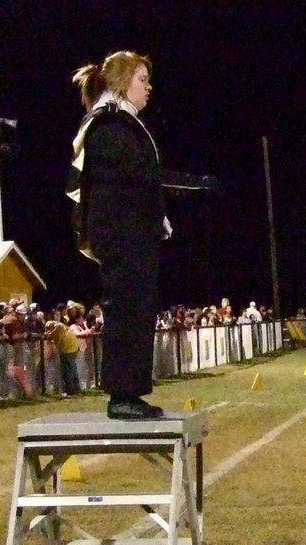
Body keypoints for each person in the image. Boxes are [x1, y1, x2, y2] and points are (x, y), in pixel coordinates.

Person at [67, 50, 217, 419]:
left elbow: (139, 181)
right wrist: (196, 185)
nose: (149, 88)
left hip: (128, 232)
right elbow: (146, 174)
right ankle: (122, 396)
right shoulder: (110, 125)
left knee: (137, 310)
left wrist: (157, 216)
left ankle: (130, 393)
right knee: (128, 311)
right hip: (122, 234)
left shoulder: (118, 124)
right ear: (121, 82)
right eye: (142, 80)